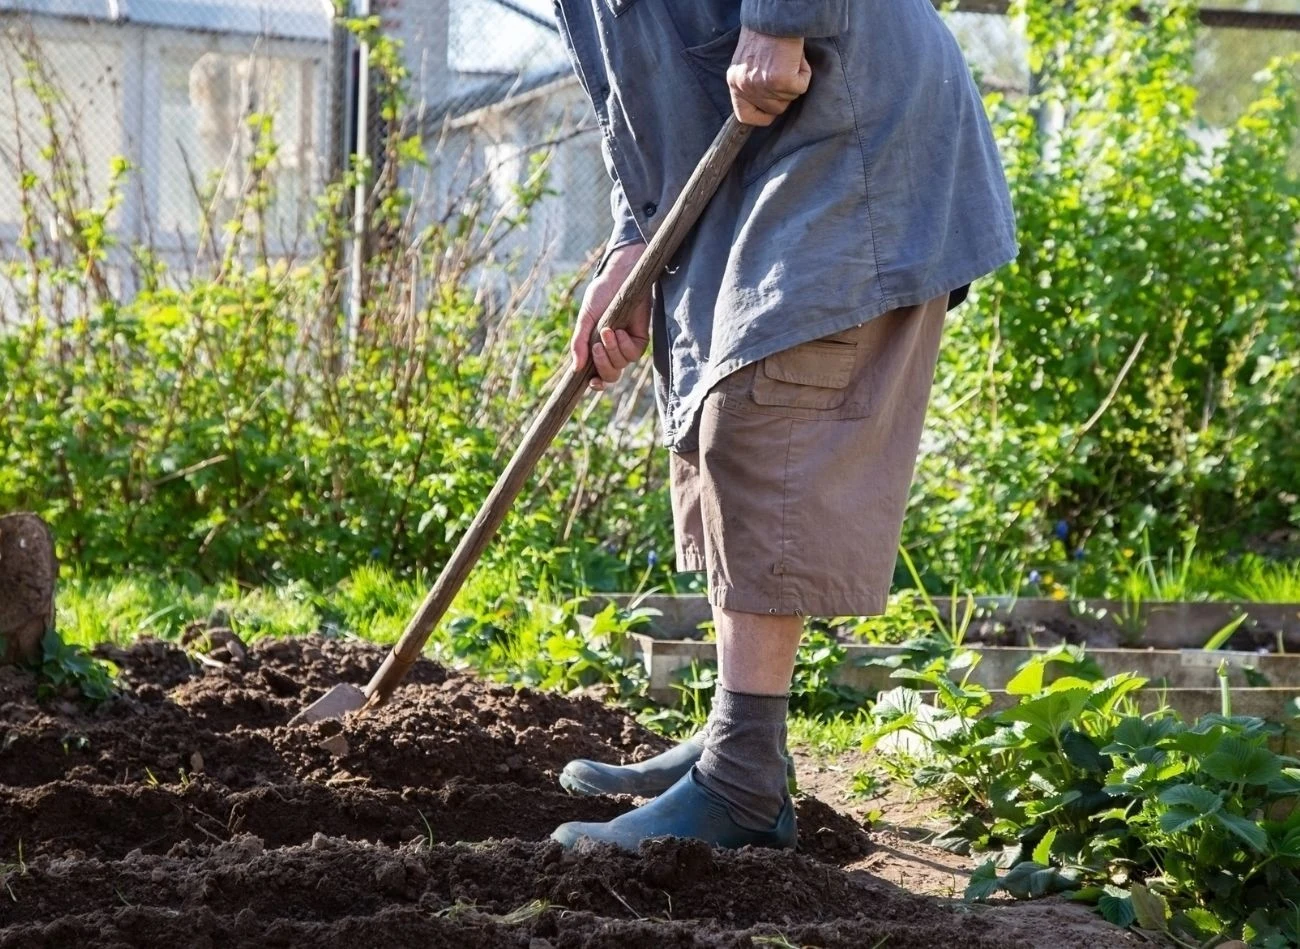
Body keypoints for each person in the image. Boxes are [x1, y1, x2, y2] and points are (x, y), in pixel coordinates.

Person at [549, 0, 1017, 851]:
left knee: (765, 402)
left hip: (848, 111)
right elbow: (644, 84)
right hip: (764, 142)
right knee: (714, 419)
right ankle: (743, 738)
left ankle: (740, 785)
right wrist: (634, 236)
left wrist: (781, 14)